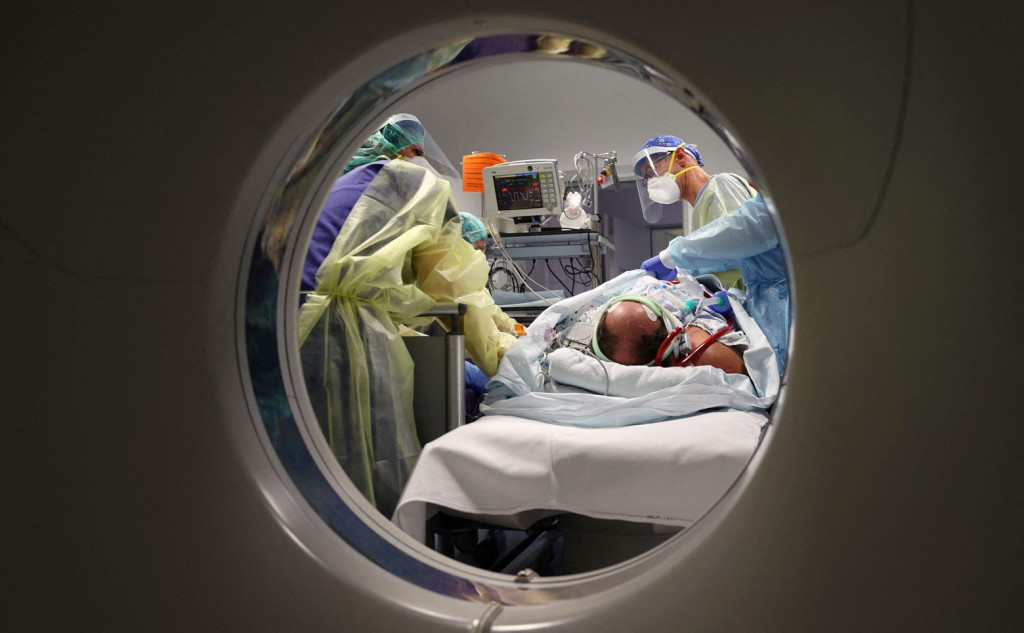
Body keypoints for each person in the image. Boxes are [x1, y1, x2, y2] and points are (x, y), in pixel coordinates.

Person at [298, 115, 518, 517]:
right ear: (406, 151)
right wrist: (508, 360)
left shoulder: (338, 187)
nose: (423, 160)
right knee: (367, 467)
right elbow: (457, 292)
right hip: (343, 336)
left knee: (305, 467)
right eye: (418, 151)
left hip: (292, 328)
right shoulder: (412, 183)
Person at [638, 194, 789, 375]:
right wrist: (683, 267)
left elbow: (752, 228)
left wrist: (672, 257)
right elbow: (744, 251)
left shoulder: (783, 191)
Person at [633, 135, 757, 287]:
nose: (650, 182)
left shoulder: (722, 183)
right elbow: (716, 260)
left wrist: (672, 259)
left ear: (680, 157)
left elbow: (740, 244)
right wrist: (683, 277)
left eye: (652, 171)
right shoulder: (699, 210)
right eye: (646, 178)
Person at [589, 275, 748, 376]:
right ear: (674, 339)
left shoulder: (591, 319)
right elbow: (738, 372)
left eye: (638, 299)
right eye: (654, 309)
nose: (645, 293)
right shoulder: (702, 349)